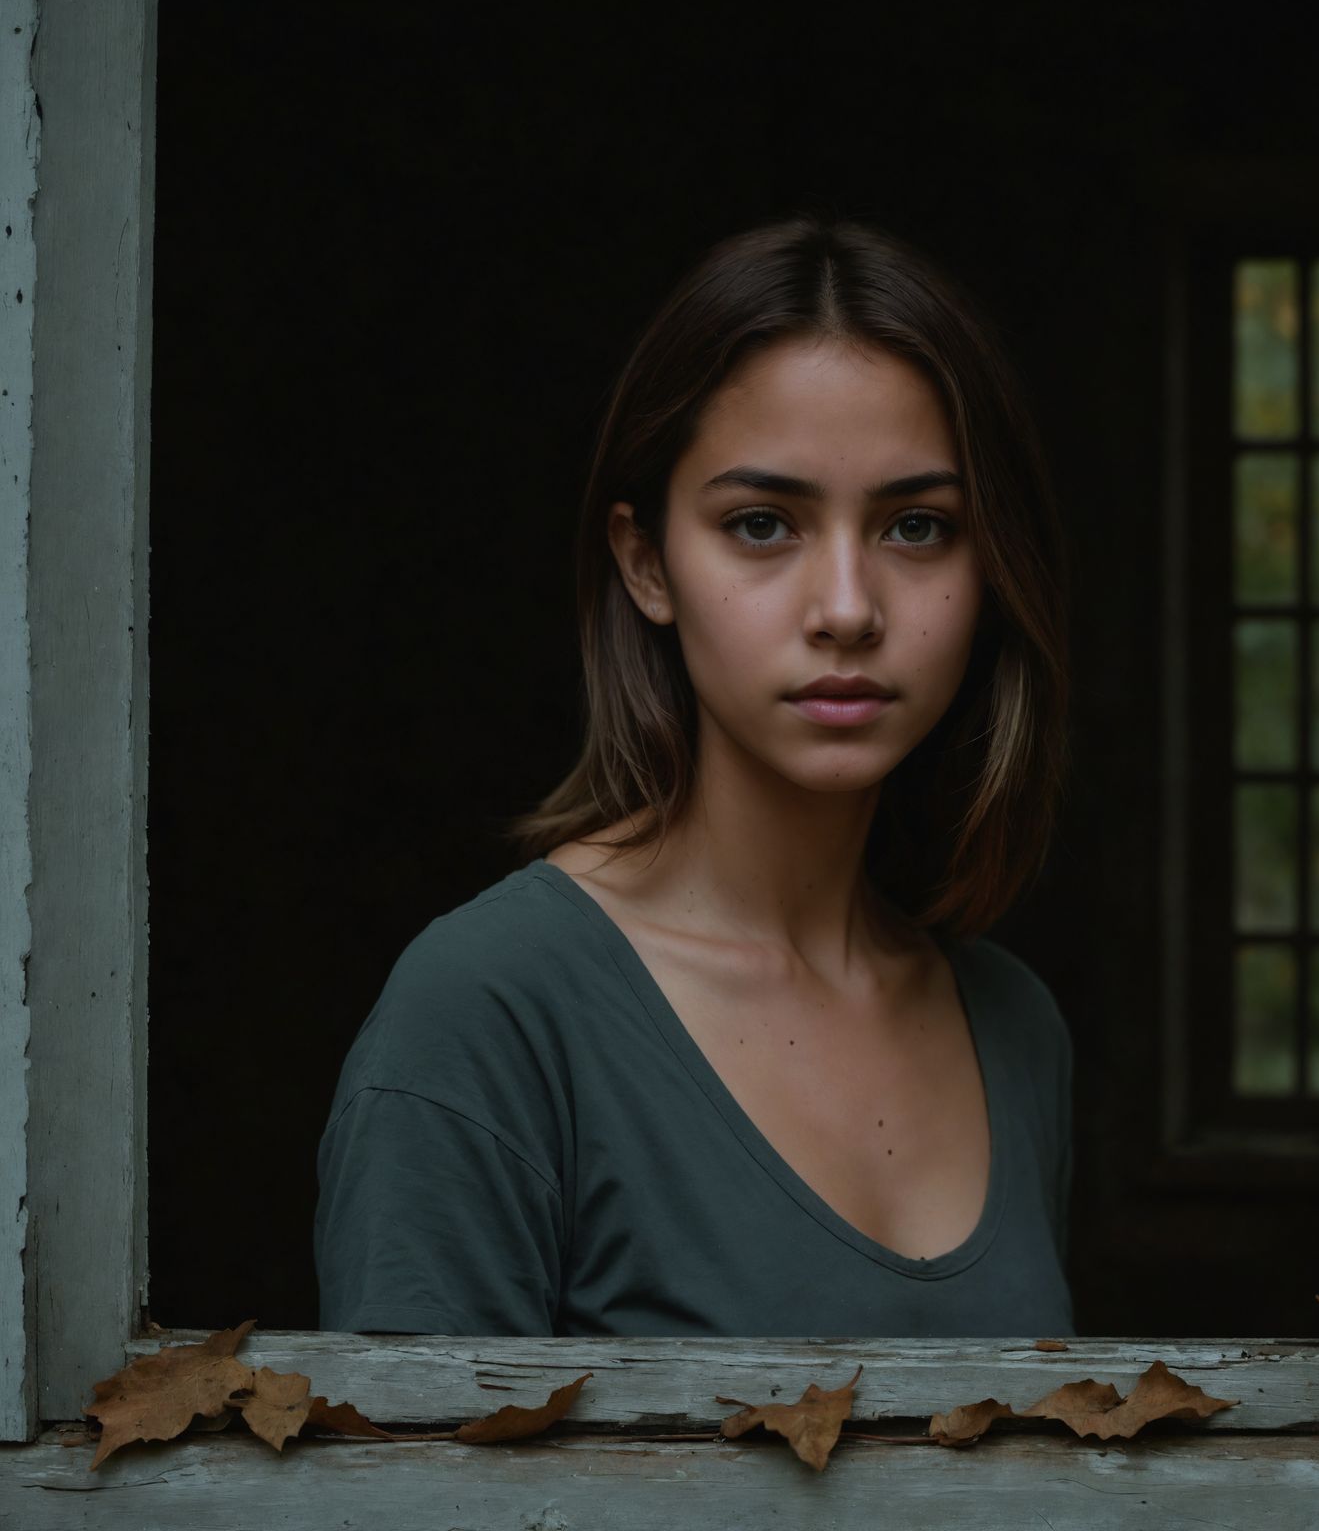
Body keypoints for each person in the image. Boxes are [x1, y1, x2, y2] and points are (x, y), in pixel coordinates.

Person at [314, 211, 1078, 1337]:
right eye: (762, 523)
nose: (848, 610)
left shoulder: (1013, 1028)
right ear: (645, 562)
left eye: (917, 527)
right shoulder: (488, 1012)